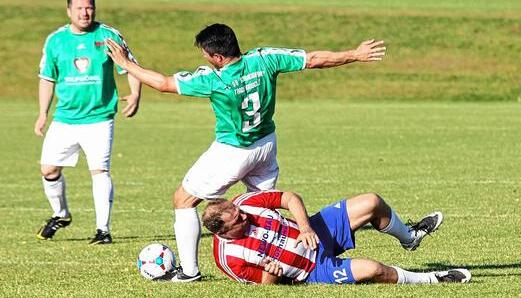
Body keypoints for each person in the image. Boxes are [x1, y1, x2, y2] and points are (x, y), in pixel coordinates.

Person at [104, 23, 386, 281]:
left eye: (205, 54)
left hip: (234, 151)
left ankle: (189, 272)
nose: (204, 59)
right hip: (266, 145)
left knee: (183, 200)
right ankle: (285, 264)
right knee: (264, 209)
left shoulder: (214, 79)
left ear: (217, 57)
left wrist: (126, 63)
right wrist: (355, 54)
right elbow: (313, 59)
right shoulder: (265, 58)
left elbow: (164, 83)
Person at [35, 0, 142, 244]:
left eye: (89, 8)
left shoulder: (108, 36)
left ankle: (103, 231)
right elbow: (47, 78)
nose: (85, 13)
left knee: (100, 171)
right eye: (80, 8)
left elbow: (130, 66)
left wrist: (135, 94)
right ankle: (61, 214)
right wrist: (43, 113)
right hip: (65, 118)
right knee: (48, 169)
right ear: (69, 11)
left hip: (99, 118)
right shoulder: (56, 40)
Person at [201, 191, 471, 285]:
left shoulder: (246, 203)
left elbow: (289, 198)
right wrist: (271, 275)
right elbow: (264, 288)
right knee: (375, 270)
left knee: (371, 202)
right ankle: (436, 278)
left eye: (240, 212)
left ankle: (410, 237)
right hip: (313, 271)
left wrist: (306, 228)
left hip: (318, 231)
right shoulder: (228, 259)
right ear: (221, 231)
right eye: (238, 220)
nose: (245, 216)